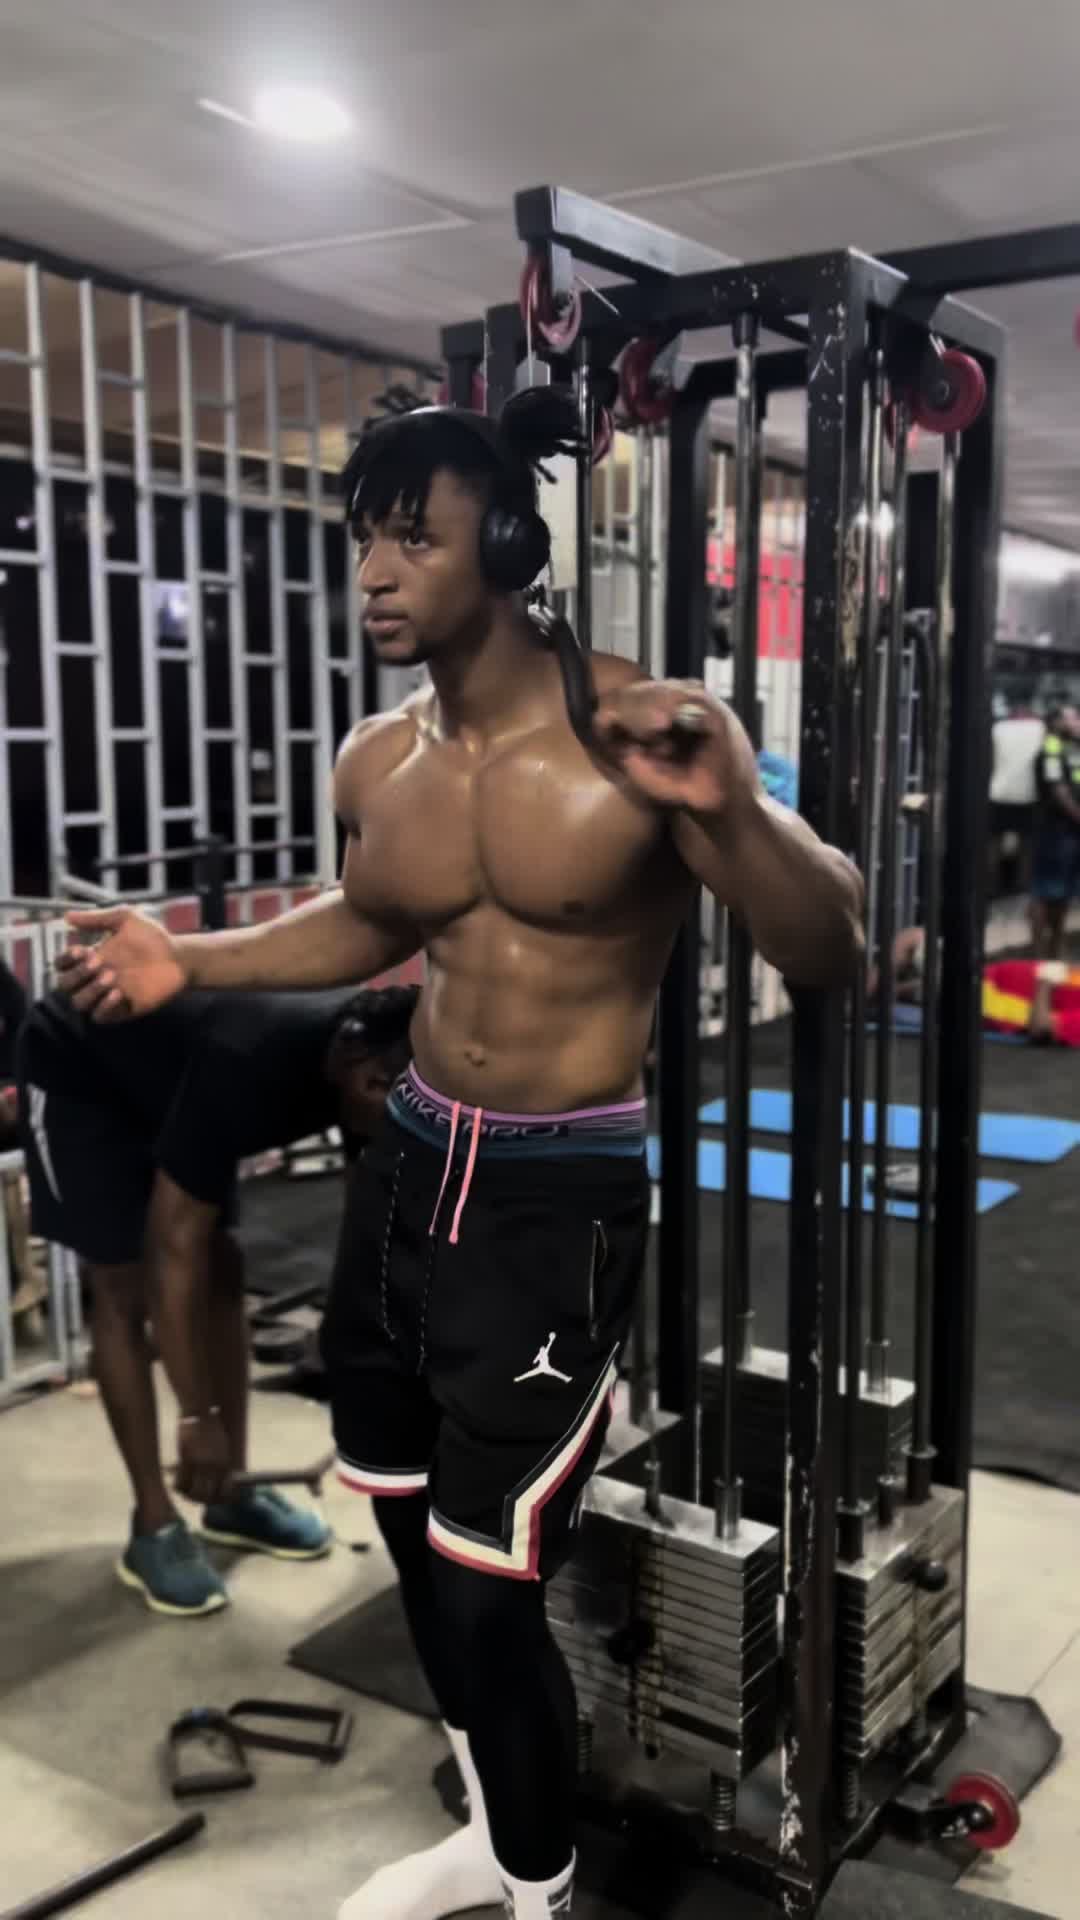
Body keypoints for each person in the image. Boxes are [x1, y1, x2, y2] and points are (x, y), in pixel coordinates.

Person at [55, 388, 863, 1918]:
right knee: (397, 1509)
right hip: (412, 1164)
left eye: (409, 539)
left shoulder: (637, 738)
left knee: (491, 1580)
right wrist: (192, 959)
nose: (372, 572)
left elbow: (831, 950)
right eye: (363, 538)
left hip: (552, 1198)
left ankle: (540, 1892)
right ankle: (498, 1835)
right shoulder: (381, 758)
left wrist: (740, 809)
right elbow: (372, 919)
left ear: (501, 545)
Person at [16, 982, 417, 1617]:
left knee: (223, 1265)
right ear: (365, 1078)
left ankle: (229, 1494)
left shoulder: (379, 1071)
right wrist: (196, 1417)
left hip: (174, 1076)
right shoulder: (250, 1063)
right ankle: (153, 1523)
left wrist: (354, 1335)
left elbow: (368, 1215)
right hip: (82, 1071)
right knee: (123, 1283)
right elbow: (171, 1251)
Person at [1030, 703, 1080, 958]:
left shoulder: (1071, 748)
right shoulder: (1051, 749)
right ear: (1057, 722)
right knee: (1046, 891)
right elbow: (1058, 790)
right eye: (1072, 718)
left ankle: (1054, 952)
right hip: (1055, 831)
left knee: (1063, 893)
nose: (1077, 722)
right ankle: (1040, 954)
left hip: (1070, 831)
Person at [988, 699, 1044, 898]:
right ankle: (1023, 885)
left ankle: (992, 885)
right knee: (1027, 844)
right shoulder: (1039, 728)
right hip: (1029, 793)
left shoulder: (998, 728)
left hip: (998, 792)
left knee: (994, 843)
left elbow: (991, 759)